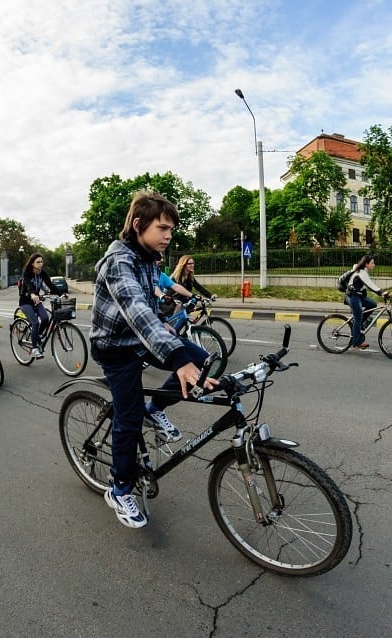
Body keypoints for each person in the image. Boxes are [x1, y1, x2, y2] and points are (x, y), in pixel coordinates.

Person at [90, 191, 217, 529]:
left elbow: (149, 310)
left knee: (202, 360)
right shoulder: (119, 261)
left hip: (141, 338)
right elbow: (135, 309)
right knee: (128, 419)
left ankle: (156, 407)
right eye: (162, 228)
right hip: (114, 348)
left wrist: (170, 327)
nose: (168, 236)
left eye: (171, 230)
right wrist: (175, 357)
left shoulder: (150, 260)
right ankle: (119, 490)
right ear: (137, 225)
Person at [346, 255, 390, 349]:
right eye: (372, 263)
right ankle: (356, 342)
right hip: (352, 296)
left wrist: (382, 292)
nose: (374, 265)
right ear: (366, 264)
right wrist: (382, 293)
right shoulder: (361, 273)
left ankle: (358, 325)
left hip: (358, 296)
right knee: (358, 318)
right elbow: (371, 285)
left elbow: (369, 285)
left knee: (373, 304)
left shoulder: (364, 271)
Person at [19, 253, 53, 358]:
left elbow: (50, 285)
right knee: (35, 322)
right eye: (38, 262)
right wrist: (33, 294)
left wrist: (61, 293)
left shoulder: (42, 273)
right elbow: (29, 285)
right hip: (25, 301)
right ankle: (34, 348)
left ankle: (37, 335)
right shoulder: (27, 273)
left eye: (41, 261)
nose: (40, 264)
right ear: (32, 263)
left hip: (36, 301)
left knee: (45, 318)